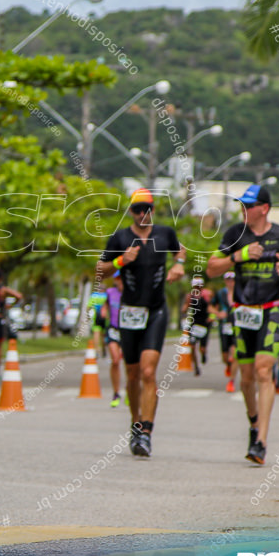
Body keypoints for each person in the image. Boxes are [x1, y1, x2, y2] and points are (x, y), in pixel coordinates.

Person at [206, 184, 279, 466]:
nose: (244, 210)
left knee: (263, 370)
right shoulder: (235, 234)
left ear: (264, 208)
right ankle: (253, 422)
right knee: (246, 378)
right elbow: (212, 267)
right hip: (243, 313)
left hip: (272, 311)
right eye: (242, 206)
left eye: (249, 205)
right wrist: (239, 256)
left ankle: (261, 440)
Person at [98, 188, 186, 458]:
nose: (142, 213)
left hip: (156, 311)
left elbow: (179, 251)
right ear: (130, 212)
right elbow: (100, 271)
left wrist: (179, 264)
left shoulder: (164, 234)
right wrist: (122, 260)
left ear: (153, 209)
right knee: (133, 373)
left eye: (146, 208)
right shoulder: (121, 237)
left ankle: (146, 432)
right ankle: (135, 422)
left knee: (148, 372)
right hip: (129, 312)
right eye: (137, 209)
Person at [181, 277, 211, 376]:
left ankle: (203, 354)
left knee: (202, 348)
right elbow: (184, 309)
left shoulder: (207, 295)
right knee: (192, 346)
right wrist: (187, 305)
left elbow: (212, 307)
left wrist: (214, 316)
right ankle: (196, 367)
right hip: (194, 324)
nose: (197, 288)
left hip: (204, 323)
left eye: (199, 286)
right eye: (195, 286)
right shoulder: (190, 296)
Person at [102, 272, 124, 407]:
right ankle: (116, 392)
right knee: (115, 360)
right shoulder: (110, 292)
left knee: (130, 363)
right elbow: (106, 305)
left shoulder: (132, 293)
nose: (119, 281)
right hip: (113, 329)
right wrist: (104, 312)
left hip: (127, 330)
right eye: (117, 278)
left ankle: (130, 389)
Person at [215, 272, 238, 392]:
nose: (230, 282)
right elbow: (211, 306)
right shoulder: (220, 293)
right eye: (228, 279)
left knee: (234, 355)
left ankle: (231, 381)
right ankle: (228, 366)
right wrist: (218, 314)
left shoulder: (240, 293)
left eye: (232, 279)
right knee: (225, 356)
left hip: (237, 327)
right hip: (224, 328)